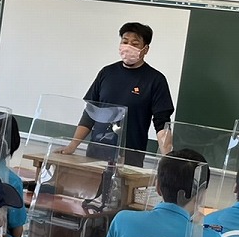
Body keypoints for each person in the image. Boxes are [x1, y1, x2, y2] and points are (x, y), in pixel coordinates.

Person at [62, 22, 174, 167]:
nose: (128, 47)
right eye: (125, 42)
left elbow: (162, 124)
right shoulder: (107, 73)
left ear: (145, 49)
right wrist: (72, 145)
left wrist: (168, 160)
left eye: (135, 44)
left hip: (130, 156)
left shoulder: (155, 80)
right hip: (96, 152)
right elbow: (90, 113)